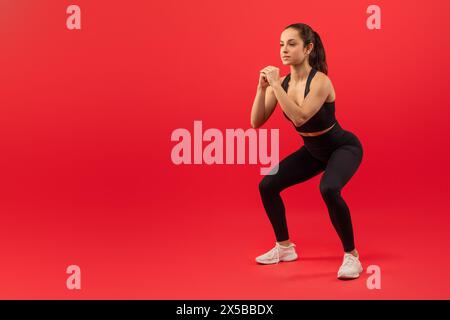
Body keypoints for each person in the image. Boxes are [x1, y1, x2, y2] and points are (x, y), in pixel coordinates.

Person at [250, 23, 364, 280]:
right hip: (313, 151)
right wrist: (261, 88)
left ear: (308, 48)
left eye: (291, 44)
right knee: (267, 185)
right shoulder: (285, 82)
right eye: (281, 44)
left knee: (328, 189)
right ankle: (284, 247)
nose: (284, 50)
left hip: (341, 147)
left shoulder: (321, 81)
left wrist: (276, 86)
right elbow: (256, 122)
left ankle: (352, 256)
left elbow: (300, 117)